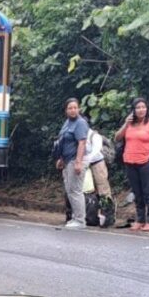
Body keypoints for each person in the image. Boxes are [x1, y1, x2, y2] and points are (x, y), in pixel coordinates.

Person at [115, 97, 149, 231]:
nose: (141, 110)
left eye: (143, 107)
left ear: (147, 109)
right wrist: (125, 123)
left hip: (146, 161)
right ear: (133, 110)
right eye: (138, 108)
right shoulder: (129, 124)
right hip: (130, 161)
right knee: (137, 192)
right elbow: (117, 137)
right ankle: (140, 219)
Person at [56, 98, 89, 230]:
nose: (73, 110)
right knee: (70, 190)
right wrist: (61, 159)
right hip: (67, 160)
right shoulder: (67, 123)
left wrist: (78, 162)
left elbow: (82, 142)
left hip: (76, 160)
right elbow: (63, 142)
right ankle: (75, 218)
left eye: (75, 107)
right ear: (66, 110)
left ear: (79, 109)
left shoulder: (80, 123)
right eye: (70, 108)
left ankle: (80, 220)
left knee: (75, 190)